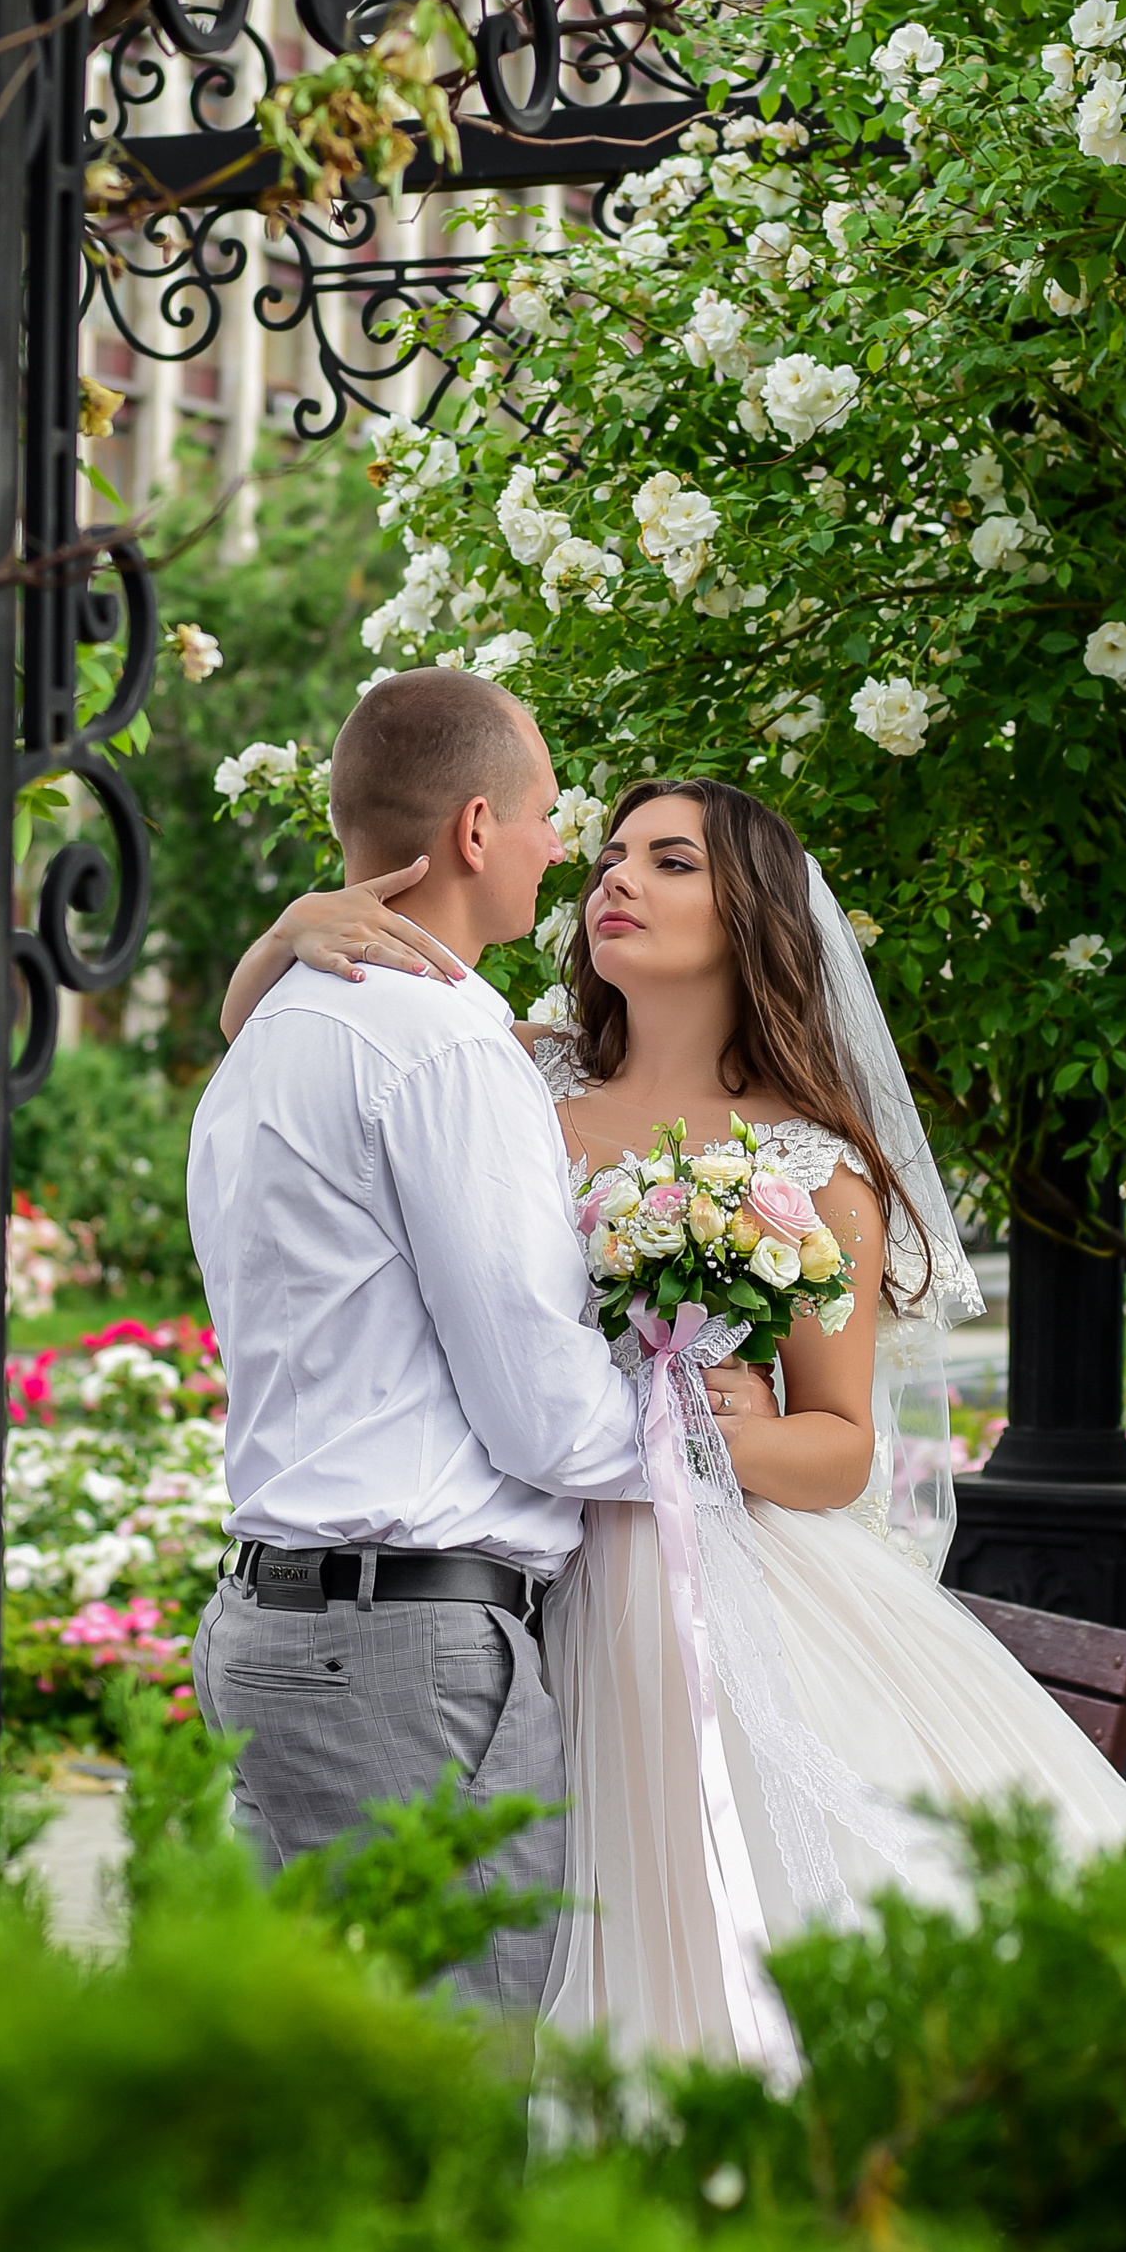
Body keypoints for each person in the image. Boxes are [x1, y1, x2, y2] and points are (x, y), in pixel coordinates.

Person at [236, 769, 1126, 2073]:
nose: (615, 879)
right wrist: (285, 936)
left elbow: (841, 1446)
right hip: (505, 1582)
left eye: (669, 861)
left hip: (713, 1594)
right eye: (610, 857)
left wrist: (708, 1433)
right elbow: (310, 1046)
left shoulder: (815, 1168)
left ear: (752, 918)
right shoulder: (512, 1072)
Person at [186, 669, 770, 2015]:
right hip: (402, 1660)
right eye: (551, 814)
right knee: (461, 2071)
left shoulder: (270, 1031)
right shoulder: (445, 1050)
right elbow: (544, 1416)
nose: (565, 850)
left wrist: (277, 939)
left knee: (313, 2065)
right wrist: (714, 1434)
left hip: (272, 1625)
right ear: (471, 828)